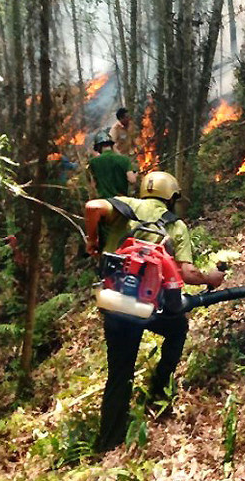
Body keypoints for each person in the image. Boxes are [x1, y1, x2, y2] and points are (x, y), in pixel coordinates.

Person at [84, 171, 225, 452]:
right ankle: (159, 390)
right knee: (178, 329)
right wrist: (212, 278)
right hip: (151, 307)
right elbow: (187, 273)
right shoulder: (176, 226)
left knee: (119, 373)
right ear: (171, 197)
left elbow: (92, 207)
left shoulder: (126, 207)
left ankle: (108, 443)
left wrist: (92, 241)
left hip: (114, 303)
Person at [88, 130, 137, 199]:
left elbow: (93, 185)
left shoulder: (93, 162)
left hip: (104, 202)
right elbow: (132, 180)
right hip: (122, 201)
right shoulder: (124, 160)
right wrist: (135, 174)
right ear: (111, 145)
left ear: (98, 147)